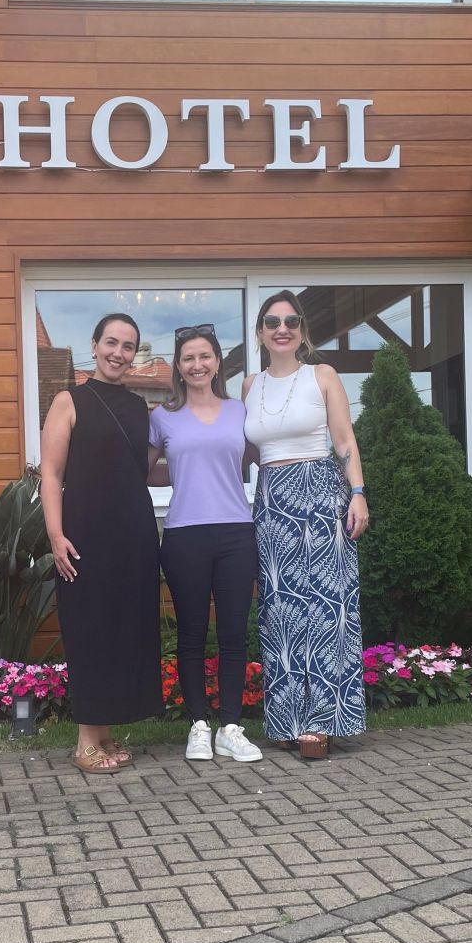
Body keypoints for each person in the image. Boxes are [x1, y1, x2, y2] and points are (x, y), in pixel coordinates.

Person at [242, 290, 369, 760]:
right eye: (273, 322)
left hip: (320, 494)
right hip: (272, 501)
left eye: (291, 321)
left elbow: (344, 439)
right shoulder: (249, 386)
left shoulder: (322, 375)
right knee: (281, 610)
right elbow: (245, 452)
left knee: (326, 608)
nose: (282, 329)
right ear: (260, 332)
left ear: (302, 330)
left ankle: (322, 722)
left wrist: (358, 493)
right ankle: (287, 720)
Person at [40, 312, 164, 774]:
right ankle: (85, 743)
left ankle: (105, 734)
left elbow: (138, 472)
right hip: (84, 534)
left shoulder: (137, 408)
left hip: (133, 533)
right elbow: (51, 475)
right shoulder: (68, 401)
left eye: (128, 346)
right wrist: (56, 535)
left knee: (122, 629)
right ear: (94, 346)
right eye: (111, 342)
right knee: (90, 629)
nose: (118, 353)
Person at [148, 323, 263, 764]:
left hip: (236, 532)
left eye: (205, 356)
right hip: (184, 536)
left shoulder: (240, 412)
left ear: (217, 363)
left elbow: (254, 458)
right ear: (179, 367)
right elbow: (145, 471)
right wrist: (184, 473)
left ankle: (230, 728)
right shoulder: (162, 417)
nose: (197, 365)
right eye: (188, 358)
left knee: (233, 633)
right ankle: (198, 725)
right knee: (192, 634)